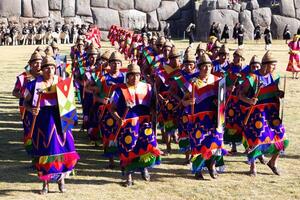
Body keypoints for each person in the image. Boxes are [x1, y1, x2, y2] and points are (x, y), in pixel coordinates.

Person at [23, 56, 79, 194]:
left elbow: (71, 100)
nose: (50, 70)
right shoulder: (32, 84)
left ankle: (61, 181)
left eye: (52, 67)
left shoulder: (62, 83)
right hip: (42, 122)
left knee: (62, 150)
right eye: (47, 67)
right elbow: (24, 102)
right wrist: (31, 109)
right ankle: (45, 184)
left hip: (60, 120)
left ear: (56, 69)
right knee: (45, 152)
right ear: (42, 69)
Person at [110, 63, 162, 187]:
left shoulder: (148, 88)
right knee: (128, 149)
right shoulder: (120, 89)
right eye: (132, 75)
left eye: (137, 75)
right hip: (128, 126)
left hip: (144, 123)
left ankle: (144, 168)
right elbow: (112, 109)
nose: (135, 78)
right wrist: (118, 119)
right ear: (127, 76)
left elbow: (154, 106)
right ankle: (128, 176)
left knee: (148, 145)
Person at [239, 51, 288, 176]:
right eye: (273, 65)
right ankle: (252, 166)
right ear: (265, 65)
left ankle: (273, 162)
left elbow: (274, 92)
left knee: (282, 137)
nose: (275, 68)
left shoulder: (275, 77)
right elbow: (240, 95)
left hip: (271, 113)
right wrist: (249, 100)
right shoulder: (252, 78)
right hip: (256, 114)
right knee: (256, 139)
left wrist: (279, 93)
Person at [182, 53, 227, 179]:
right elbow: (183, 101)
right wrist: (188, 102)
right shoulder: (192, 81)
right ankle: (197, 170)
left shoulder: (217, 81)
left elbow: (222, 99)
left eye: (209, 66)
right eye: (204, 66)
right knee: (198, 144)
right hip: (197, 119)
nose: (207, 69)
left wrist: (218, 102)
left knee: (216, 142)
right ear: (199, 67)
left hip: (214, 118)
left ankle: (212, 165)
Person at [12, 51, 43, 155]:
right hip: (26, 109)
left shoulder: (45, 77)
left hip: (42, 109)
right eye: (35, 63)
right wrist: (24, 95)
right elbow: (14, 92)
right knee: (29, 131)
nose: (38, 65)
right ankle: (32, 153)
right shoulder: (23, 77)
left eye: (40, 63)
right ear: (30, 64)